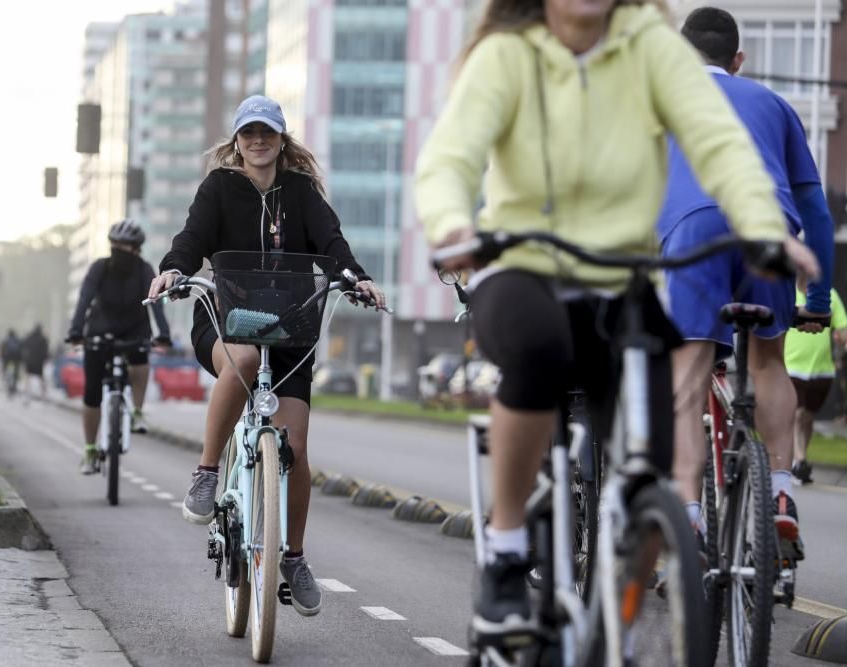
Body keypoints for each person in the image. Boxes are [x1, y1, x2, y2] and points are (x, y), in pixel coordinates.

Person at [414, 0, 818, 636]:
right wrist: (453, 224)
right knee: (541, 349)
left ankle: (618, 620)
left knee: (657, 461)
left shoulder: (651, 53)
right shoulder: (507, 56)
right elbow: (449, 160)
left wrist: (765, 225)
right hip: (525, 267)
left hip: (622, 279)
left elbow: (719, 144)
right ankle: (509, 548)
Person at [147, 94, 386, 617]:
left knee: (295, 444)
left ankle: (294, 556)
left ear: (282, 139)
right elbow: (190, 240)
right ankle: (208, 472)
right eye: (249, 133)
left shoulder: (301, 192)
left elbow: (332, 243)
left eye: (268, 133)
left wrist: (357, 278)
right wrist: (172, 269)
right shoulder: (218, 188)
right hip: (225, 318)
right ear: (237, 140)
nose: (258, 141)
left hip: (291, 324)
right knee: (248, 360)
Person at [659, 7, 835, 561]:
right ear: (738, 61)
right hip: (768, 232)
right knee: (766, 363)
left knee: (685, 378)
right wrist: (820, 300)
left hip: (694, 235)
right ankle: (781, 494)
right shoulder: (775, 106)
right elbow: (818, 214)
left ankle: (688, 521)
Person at [68, 220, 172, 474]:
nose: (119, 250)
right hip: (99, 329)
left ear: (136, 249)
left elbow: (155, 302)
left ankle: (137, 411)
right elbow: (84, 299)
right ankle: (90, 449)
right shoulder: (99, 268)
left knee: (140, 362)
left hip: (135, 328)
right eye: (115, 245)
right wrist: (75, 331)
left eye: (124, 246)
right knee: (92, 391)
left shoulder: (144, 269)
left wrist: (164, 334)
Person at [786, 282, 847, 484]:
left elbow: (843, 328)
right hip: (792, 366)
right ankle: (800, 460)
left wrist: (842, 338)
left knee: (808, 417)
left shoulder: (828, 294)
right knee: (798, 413)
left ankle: (798, 462)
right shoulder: (788, 291)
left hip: (822, 370)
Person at [22, 324, 50, 404]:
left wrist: (25, 358)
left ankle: (26, 395)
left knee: (27, 378)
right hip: (39, 363)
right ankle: (43, 396)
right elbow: (46, 352)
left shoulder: (29, 337)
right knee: (41, 378)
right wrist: (45, 360)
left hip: (29, 361)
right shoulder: (43, 339)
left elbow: (23, 346)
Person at [0, 330, 22, 397]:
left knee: (8, 372)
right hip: (16, 360)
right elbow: (21, 351)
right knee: (15, 373)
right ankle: (14, 386)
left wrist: (3, 360)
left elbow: (2, 351)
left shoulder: (5, 341)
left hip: (7, 360)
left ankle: (9, 385)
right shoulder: (18, 340)